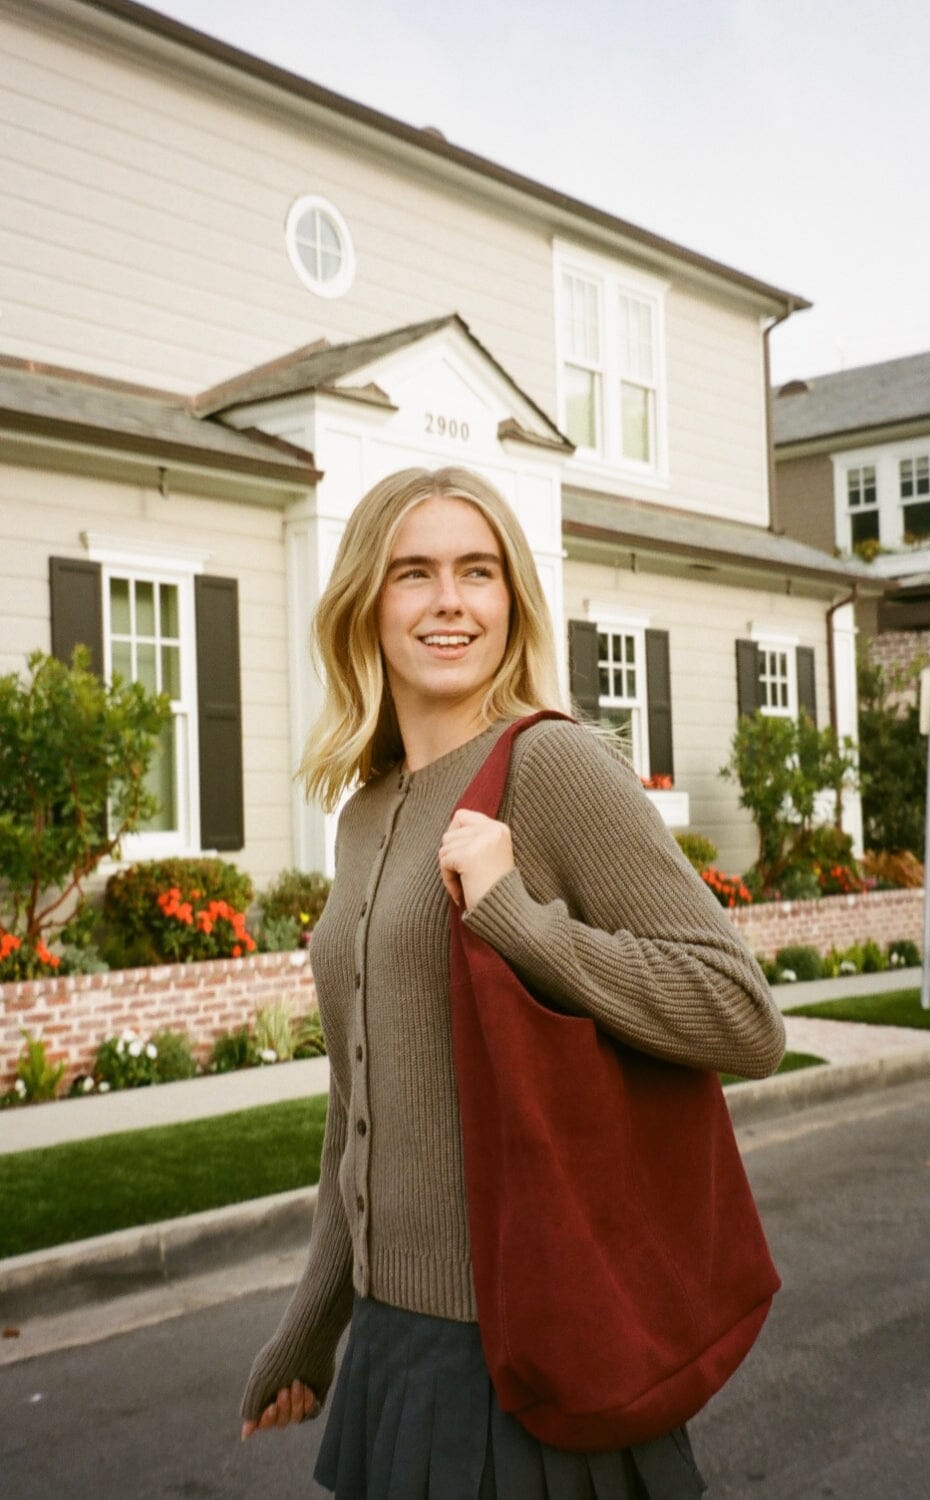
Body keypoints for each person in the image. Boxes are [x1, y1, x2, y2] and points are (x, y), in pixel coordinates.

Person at [240, 465, 786, 1497]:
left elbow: (741, 1015)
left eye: (477, 572)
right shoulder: (367, 814)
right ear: (366, 600)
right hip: (395, 1351)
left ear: (510, 603)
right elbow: (361, 1109)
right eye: (414, 573)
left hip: (523, 1345)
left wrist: (515, 921)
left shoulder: (555, 768)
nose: (449, 600)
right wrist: (315, 1326)